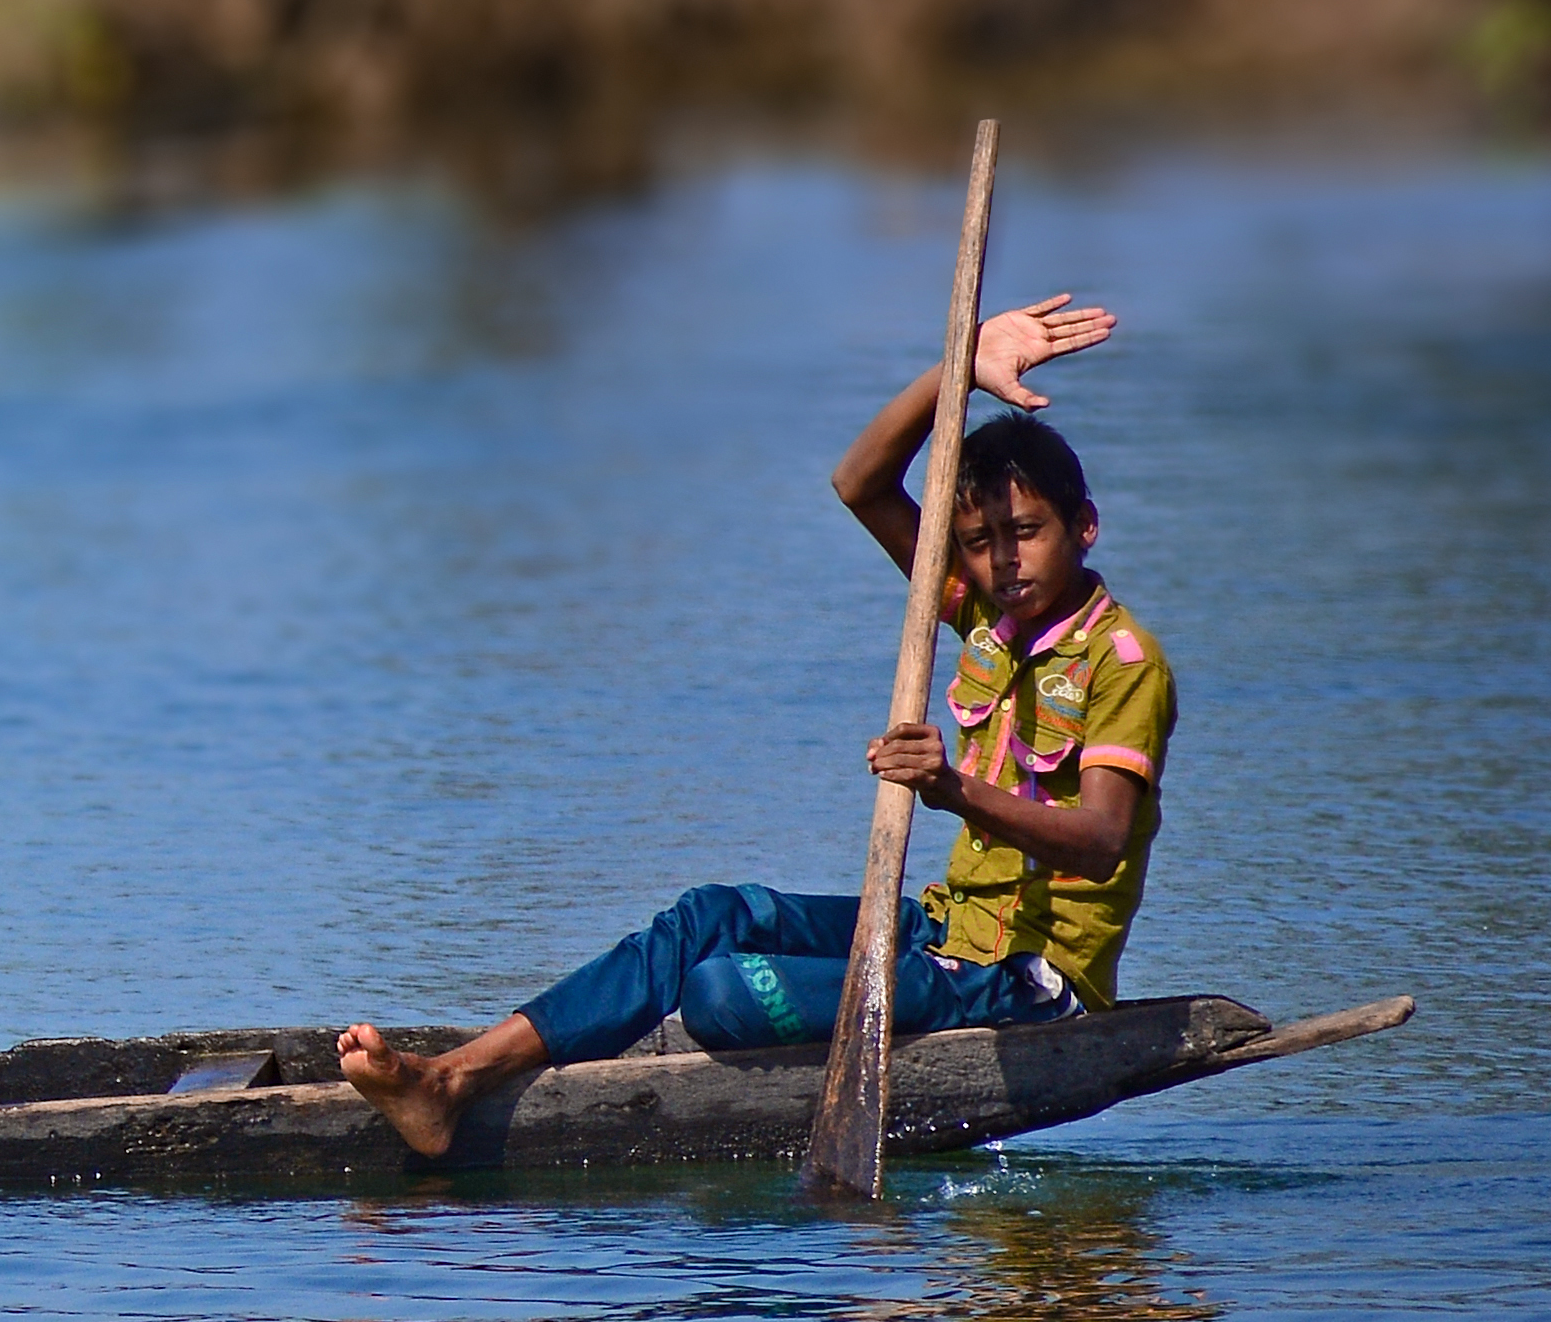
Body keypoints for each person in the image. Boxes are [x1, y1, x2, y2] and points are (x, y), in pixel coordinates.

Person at [337, 292, 1163, 1165]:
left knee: (724, 991)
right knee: (708, 918)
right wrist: (955, 368)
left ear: (1085, 525)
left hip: (1027, 982)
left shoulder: (1123, 663)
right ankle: (452, 1080)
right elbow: (861, 483)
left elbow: (1102, 841)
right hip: (945, 931)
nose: (1005, 560)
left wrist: (951, 787)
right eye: (980, 540)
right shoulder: (984, 618)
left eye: (1027, 532)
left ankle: (472, 1078)